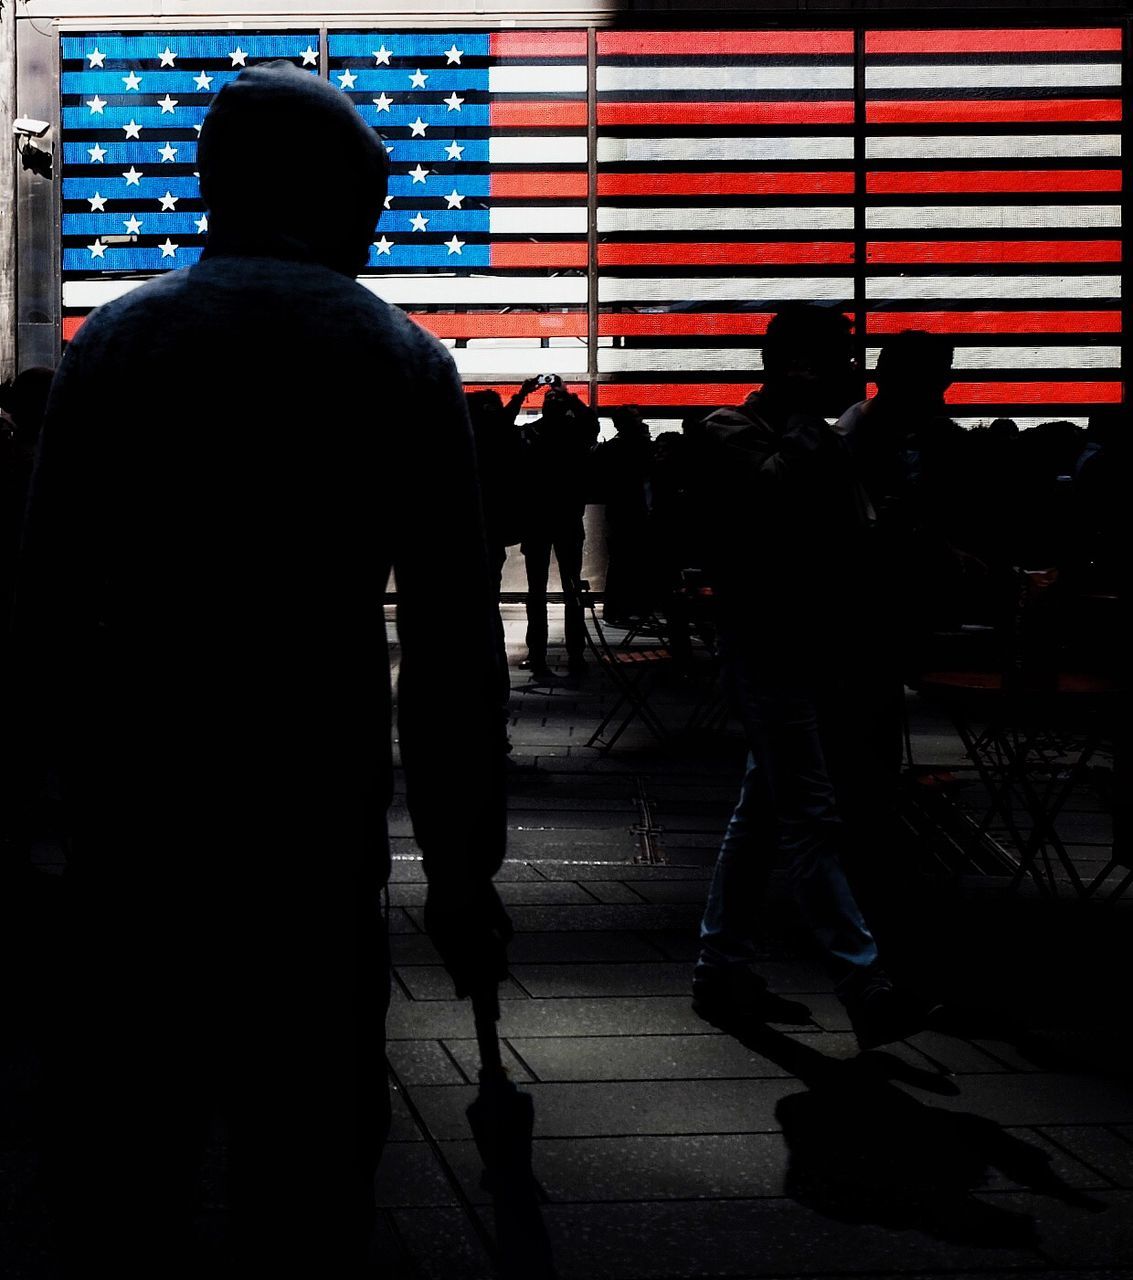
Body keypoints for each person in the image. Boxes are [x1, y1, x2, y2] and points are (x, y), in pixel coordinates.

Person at [15, 61, 510, 1278]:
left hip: (143, 790)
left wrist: (38, 799)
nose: (383, 214)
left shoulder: (119, 344)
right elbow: (451, 641)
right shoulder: (401, 357)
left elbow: (44, 602)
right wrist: (462, 866)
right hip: (311, 786)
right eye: (374, 187)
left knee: (132, 1140)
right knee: (310, 1141)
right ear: (328, 188)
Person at [691, 303, 936, 1052]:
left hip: (808, 645)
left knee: (764, 810)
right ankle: (862, 983)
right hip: (767, 642)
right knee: (807, 812)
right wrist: (806, 420)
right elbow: (771, 493)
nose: (853, 373)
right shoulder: (725, 430)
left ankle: (719, 964)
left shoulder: (817, 438)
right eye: (838, 358)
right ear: (795, 365)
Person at [514, 377, 600, 681]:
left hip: (537, 520)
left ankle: (537, 655)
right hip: (567, 518)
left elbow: (501, 429)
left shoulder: (531, 435)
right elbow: (592, 424)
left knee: (536, 591)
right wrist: (570, 396)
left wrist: (523, 392)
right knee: (572, 589)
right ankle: (575, 655)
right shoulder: (574, 435)